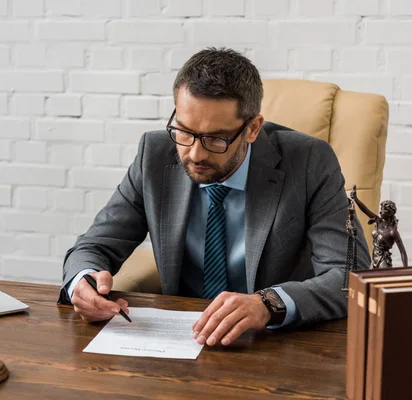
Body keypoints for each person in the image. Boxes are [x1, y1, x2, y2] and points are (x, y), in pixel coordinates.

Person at [58, 47, 370, 347]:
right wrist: (82, 284)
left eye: (215, 139)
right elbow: (95, 245)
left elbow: (349, 277)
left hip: (275, 344)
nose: (194, 153)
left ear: (252, 129)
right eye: (184, 131)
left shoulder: (308, 161)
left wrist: (268, 303)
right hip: (178, 340)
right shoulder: (154, 155)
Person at [351, 185, 407, 269]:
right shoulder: (378, 221)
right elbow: (365, 210)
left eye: (383, 210)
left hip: (383, 261)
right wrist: (355, 198)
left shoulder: (392, 232)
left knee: (383, 280)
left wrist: (405, 269)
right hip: (374, 259)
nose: (380, 212)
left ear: (389, 213)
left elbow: (402, 251)